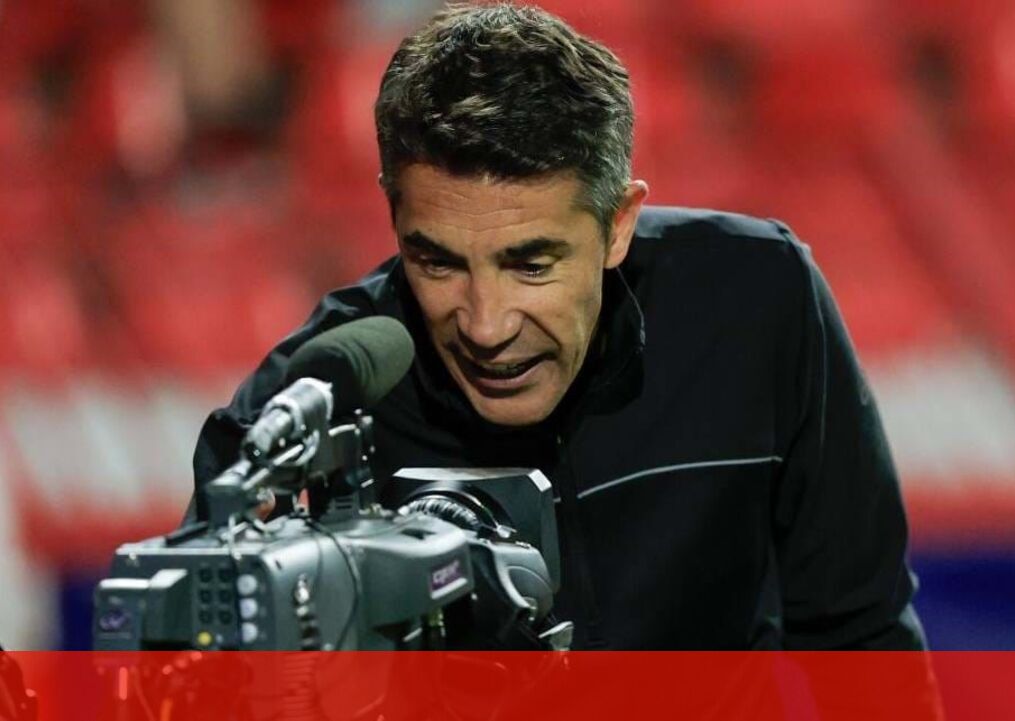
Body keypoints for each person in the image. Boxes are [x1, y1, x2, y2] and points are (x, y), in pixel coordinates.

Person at [189, 2, 927, 653]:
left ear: (618, 225)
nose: (486, 326)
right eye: (437, 262)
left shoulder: (759, 302)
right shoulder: (310, 405)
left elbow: (860, 639)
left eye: (531, 265)